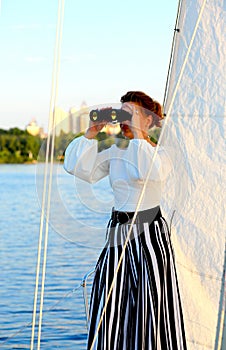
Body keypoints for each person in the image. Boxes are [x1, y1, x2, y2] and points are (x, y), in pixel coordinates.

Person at [64, 91, 187, 350]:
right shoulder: (116, 151)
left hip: (149, 236)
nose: (123, 120)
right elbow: (79, 168)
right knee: (111, 302)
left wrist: (139, 134)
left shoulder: (162, 152)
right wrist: (91, 132)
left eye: (129, 114)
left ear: (148, 120)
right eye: (122, 114)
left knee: (149, 303)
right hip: (118, 234)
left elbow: (149, 172)